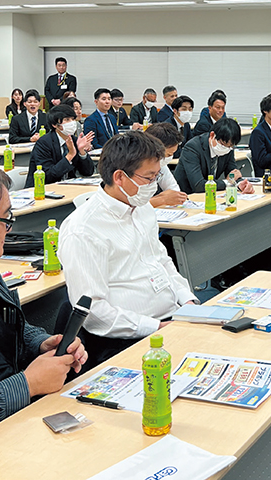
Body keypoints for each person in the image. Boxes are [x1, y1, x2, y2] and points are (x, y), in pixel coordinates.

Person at [0, 162, 87, 451]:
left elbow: (9, 328)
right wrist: (29, 384)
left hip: (10, 407)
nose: (10, 229)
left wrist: (41, 344)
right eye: (5, 219)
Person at [57, 131, 198, 368]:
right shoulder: (83, 229)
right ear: (120, 177)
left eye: (157, 176)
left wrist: (189, 302)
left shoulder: (141, 207)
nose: (154, 186)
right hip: (126, 340)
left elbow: (162, 262)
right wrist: (157, 328)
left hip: (173, 319)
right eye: (149, 178)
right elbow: (95, 312)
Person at [175, 118, 254, 195]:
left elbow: (232, 173)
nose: (226, 149)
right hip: (187, 195)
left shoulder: (228, 148)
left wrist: (241, 183)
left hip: (210, 194)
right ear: (212, 135)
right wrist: (227, 182)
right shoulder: (193, 148)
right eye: (223, 144)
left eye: (230, 146)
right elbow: (198, 185)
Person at [25, 104, 95, 188]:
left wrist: (82, 151)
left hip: (68, 187)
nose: (72, 123)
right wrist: (70, 155)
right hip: (42, 190)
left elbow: (88, 172)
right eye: (67, 120)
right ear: (55, 125)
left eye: (73, 119)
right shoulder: (44, 143)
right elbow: (48, 176)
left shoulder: (75, 140)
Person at [144, 123, 188, 208]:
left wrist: (177, 197)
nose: (170, 158)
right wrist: (161, 199)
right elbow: (128, 208)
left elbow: (173, 189)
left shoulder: (160, 163)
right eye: (168, 155)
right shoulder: (131, 167)